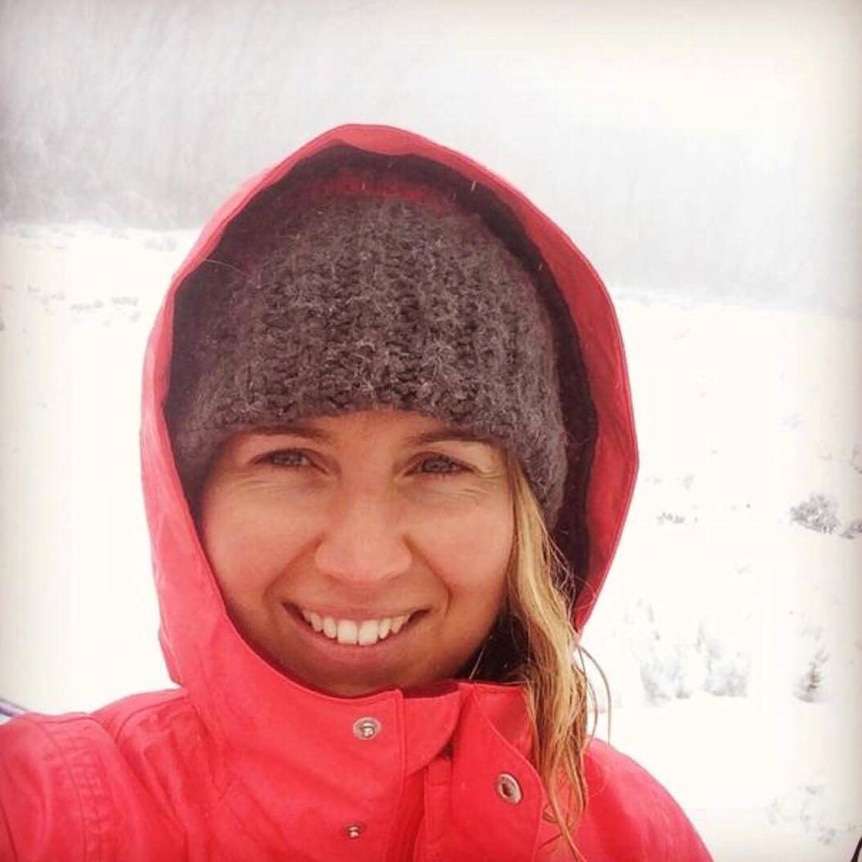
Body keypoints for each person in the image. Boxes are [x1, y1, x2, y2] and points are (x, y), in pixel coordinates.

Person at [0, 124, 712, 860]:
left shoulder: (633, 837)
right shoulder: (54, 812)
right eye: (289, 458)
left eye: (439, 467)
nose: (360, 563)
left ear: (526, 521)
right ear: (193, 499)